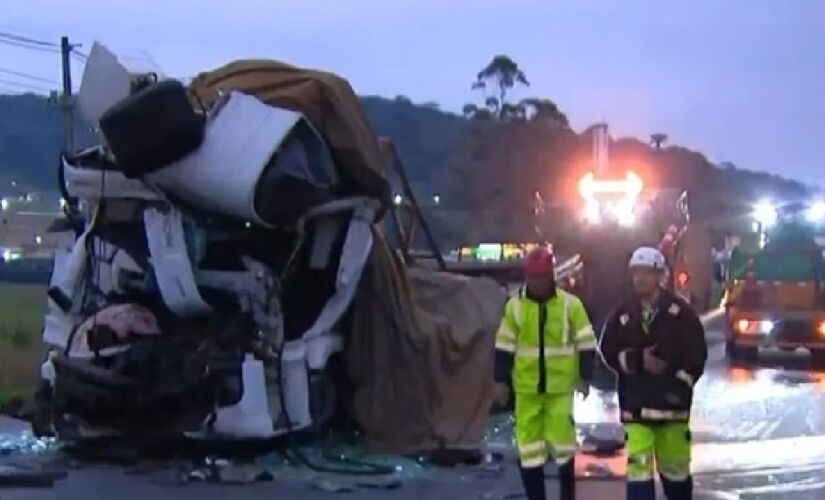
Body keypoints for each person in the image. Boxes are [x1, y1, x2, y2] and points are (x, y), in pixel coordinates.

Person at [598, 246, 708, 500]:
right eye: (636, 272)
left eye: (646, 272)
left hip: (672, 409)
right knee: (638, 471)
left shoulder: (681, 314)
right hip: (636, 407)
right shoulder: (623, 314)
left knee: (676, 471)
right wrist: (637, 361)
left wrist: (679, 383)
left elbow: (696, 354)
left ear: (660, 276)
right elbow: (609, 349)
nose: (640, 278)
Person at [493, 246, 597, 500]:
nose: (537, 283)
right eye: (533, 277)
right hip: (527, 391)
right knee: (529, 453)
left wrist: (585, 376)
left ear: (551, 276)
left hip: (559, 390)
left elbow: (586, 343)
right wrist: (501, 381)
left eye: (541, 277)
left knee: (564, 450)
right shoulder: (515, 307)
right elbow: (504, 346)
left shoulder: (571, 306)